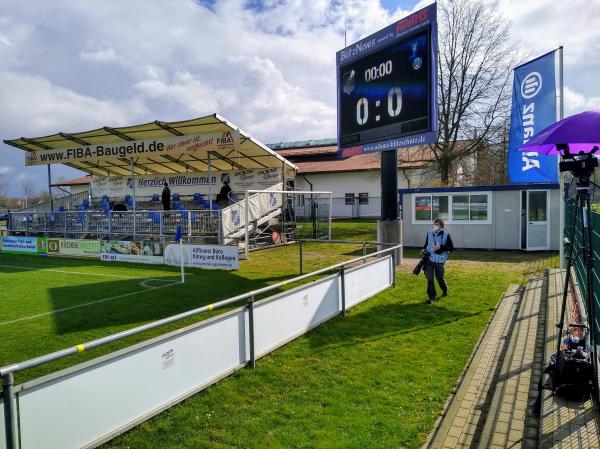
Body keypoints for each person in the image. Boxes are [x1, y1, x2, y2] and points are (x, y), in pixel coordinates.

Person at [422, 218, 454, 304]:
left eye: (437, 224)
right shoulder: (429, 233)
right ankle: (432, 298)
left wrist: (441, 247)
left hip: (439, 261)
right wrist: (423, 249)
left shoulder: (446, 234)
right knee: (430, 278)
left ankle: (445, 289)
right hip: (429, 260)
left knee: (440, 278)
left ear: (441, 226)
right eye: (434, 224)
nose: (435, 226)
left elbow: (451, 248)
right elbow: (426, 244)